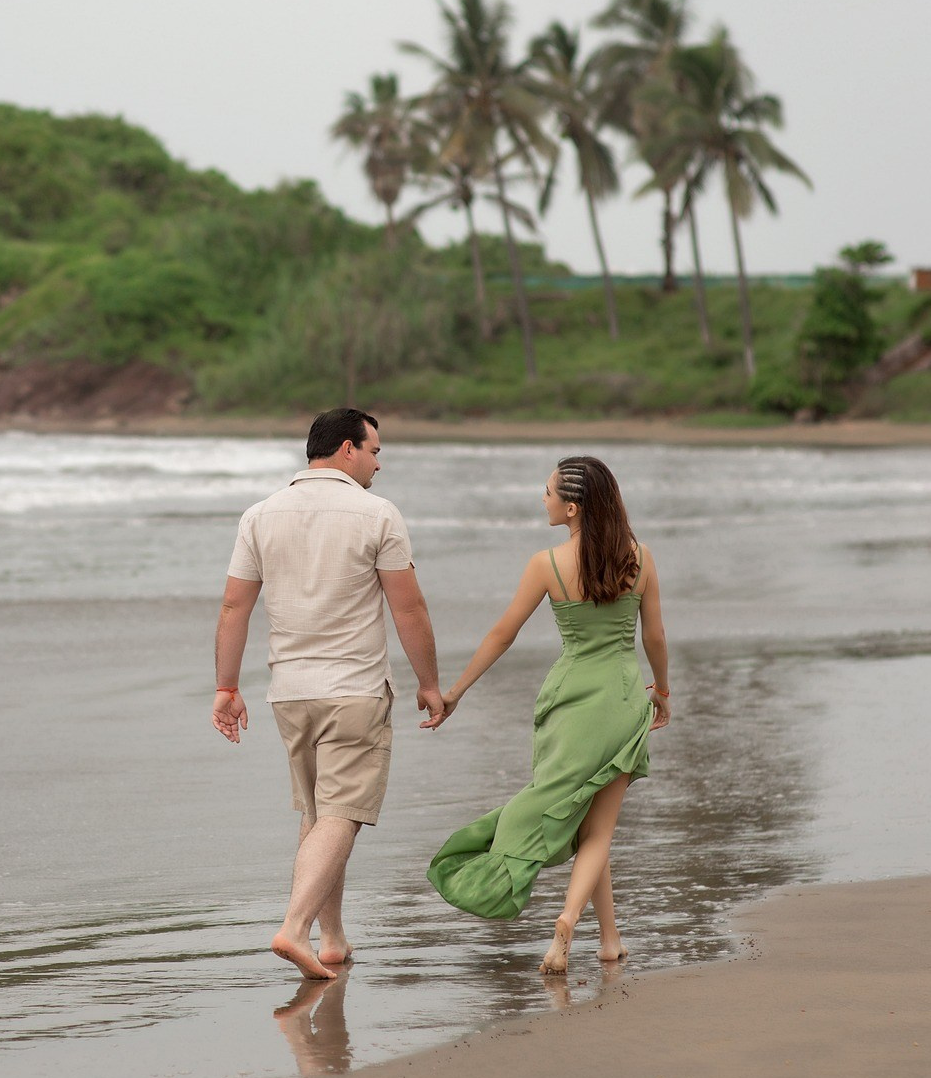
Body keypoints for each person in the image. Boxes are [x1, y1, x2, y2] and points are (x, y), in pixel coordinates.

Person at [212, 408, 447, 981]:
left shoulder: (260, 514)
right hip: (354, 689)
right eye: (374, 451)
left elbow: (234, 606)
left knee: (320, 814)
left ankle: (332, 938)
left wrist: (226, 686)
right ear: (347, 449)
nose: (378, 463)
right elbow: (409, 607)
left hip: (290, 692)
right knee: (342, 813)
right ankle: (294, 928)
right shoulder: (377, 513)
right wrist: (429, 683)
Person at [425, 454, 672, 973]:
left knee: (585, 825)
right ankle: (588, 929)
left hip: (569, 702)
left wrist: (457, 691)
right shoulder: (640, 558)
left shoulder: (547, 564)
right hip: (622, 699)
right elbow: (654, 636)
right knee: (597, 830)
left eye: (548, 492)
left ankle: (597, 932)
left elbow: (503, 634)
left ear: (573, 508)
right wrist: (663, 690)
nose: (544, 500)